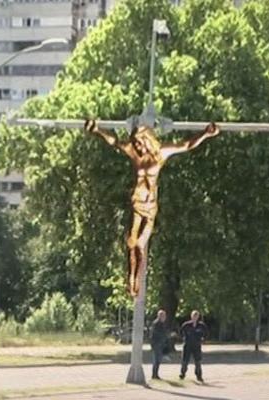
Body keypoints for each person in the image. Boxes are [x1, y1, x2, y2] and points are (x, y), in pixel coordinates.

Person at [84, 120, 221, 296]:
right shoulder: (133, 152)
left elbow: (186, 145)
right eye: (135, 144)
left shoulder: (161, 153)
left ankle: (136, 278)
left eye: (139, 143)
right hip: (137, 202)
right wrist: (97, 130)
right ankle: (131, 278)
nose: (137, 147)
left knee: (140, 244)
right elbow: (115, 142)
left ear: (147, 140)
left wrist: (205, 134)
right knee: (131, 241)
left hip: (150, 205)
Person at [179, 310, 208, 382]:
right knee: (185, 361)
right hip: (187, 345)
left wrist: (203, 339)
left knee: (198, 361)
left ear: (198, 317)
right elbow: (180, 332)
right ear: (191, 316)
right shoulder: (186, 325)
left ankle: (199, 376)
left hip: (197, 345)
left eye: (196, 316)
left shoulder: (201, 325)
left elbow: (206, 333)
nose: (195, 317)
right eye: (194, 316)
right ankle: (182, 374)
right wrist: (183, 338)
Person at [150, 309, 168, 379]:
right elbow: (155, 333)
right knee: (156, 359)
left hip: (160, 343)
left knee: (158, 359)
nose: (165, 317)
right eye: (163, 315)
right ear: (160, 316)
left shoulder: (162, 323)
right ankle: (154, 374)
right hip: (156, 343)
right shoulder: (156, 323)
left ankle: (156, 374)